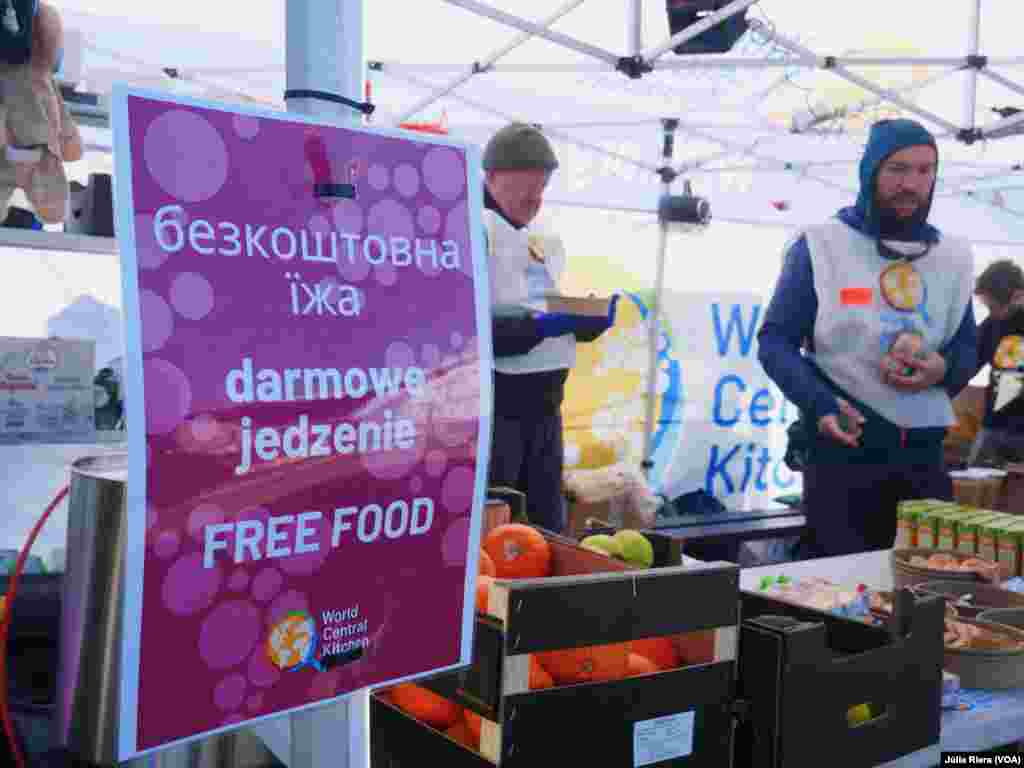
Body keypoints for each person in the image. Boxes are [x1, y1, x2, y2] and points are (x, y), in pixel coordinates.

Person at [758, 118, 977, 559]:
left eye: (923, 170)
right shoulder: (822, 246)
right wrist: (819, 403)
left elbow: (968, 346)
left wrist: (943, 367)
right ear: (871, 171)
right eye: (897, 169)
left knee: (929, 584)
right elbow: (775, 341)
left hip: (924, 457)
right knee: (840, 589)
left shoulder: (953, 256)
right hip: (845, 450)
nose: (911, 183)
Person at [481, 122, 618, 532]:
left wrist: (583, 320)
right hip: (498, 407)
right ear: (491, 177)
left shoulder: (540, 239)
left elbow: (542, 301)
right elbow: (469, 328)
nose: (535, 200)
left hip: (546, 401)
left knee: (546, 521)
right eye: (525, 189)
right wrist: (541, 326)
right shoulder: (473, 229)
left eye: (541, 190)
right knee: (504, 524)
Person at [970, 260, 1024, 464]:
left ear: (1017, 296)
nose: (990, 313)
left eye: (993, 307)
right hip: (993, 427)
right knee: (973, 484)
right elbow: (969, 362)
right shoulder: (992, 325)